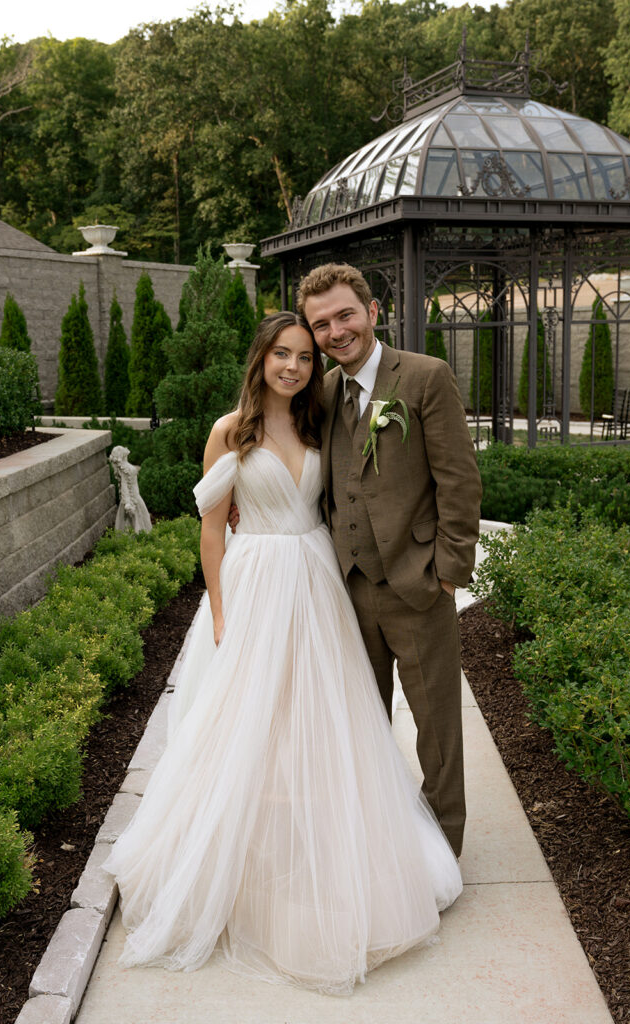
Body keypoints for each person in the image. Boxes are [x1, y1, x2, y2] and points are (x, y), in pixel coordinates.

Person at [103, 311, 462, 996]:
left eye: (304, 356)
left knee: (320, 717)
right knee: (246, 723)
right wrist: (218, 612)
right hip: (255, 583)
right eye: (282, 354)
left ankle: (318, 843)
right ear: (260, 358)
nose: (294, 366)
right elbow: (212, 532)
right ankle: (246, 854)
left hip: (320, 583)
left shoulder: (317, 421)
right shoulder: (228, 431)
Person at [297, 263, 482, 858]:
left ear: (373, 312)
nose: (335, 331)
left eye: (345, 315)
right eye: (321, 324)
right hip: (346, 586)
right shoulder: (321, 392)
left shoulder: (426, 377)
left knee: (437, 729)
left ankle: (444, 849)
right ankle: (377, 841)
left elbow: (459, 482)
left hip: (417, 581)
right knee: (362, 724)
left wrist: (449, 571)